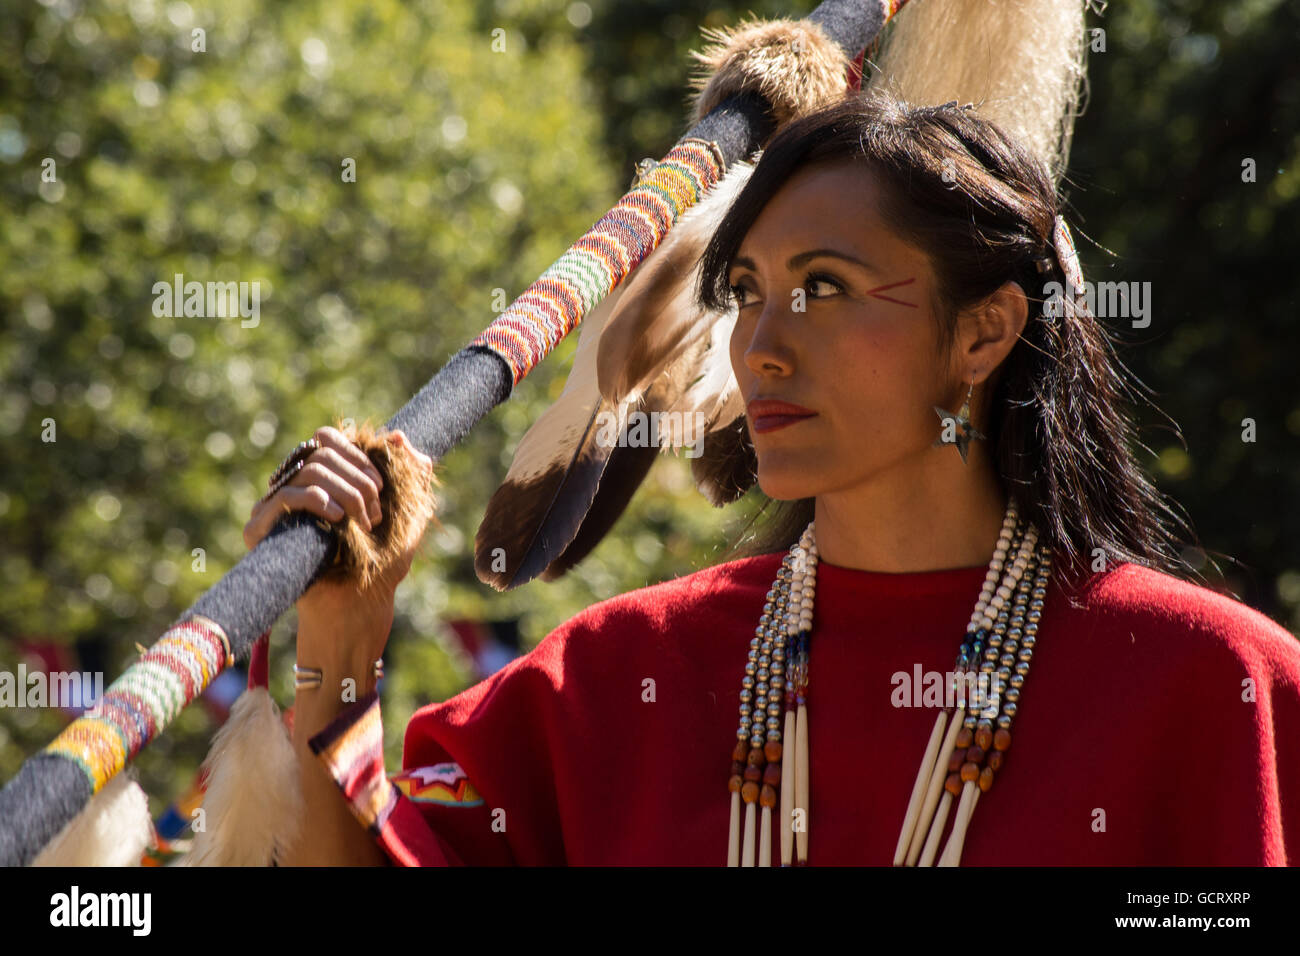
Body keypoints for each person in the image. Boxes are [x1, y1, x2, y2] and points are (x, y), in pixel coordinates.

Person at [243, 91, 1300, 866]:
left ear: (983, 331)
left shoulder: (1213, 686)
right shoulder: (620, 680)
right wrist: (345, 632)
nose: (760, 348)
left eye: (824, 287)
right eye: (747, 291)